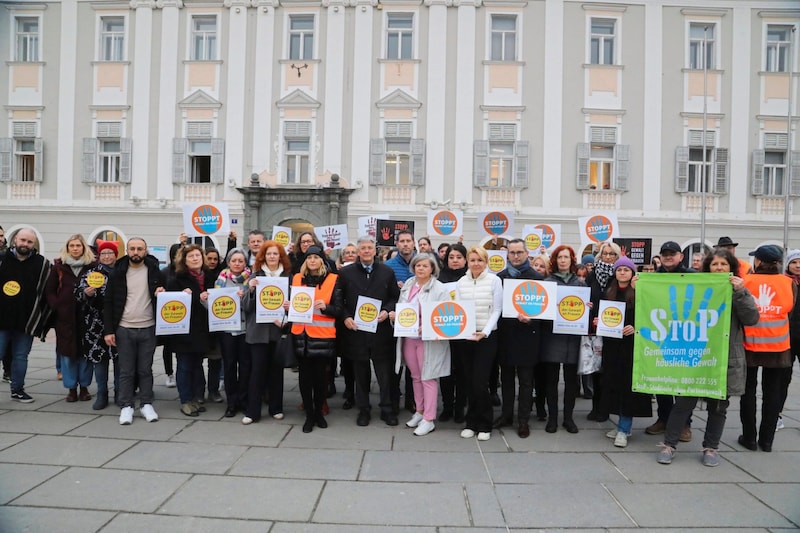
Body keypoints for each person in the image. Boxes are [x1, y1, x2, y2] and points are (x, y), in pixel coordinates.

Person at [657, 249, 759, 465]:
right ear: (708, 267)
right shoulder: (697, 286)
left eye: (723, 264)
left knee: (719, 406)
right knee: (684, 402)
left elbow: (751, 318)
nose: (719, 268)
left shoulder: (738, 289)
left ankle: (711, 447)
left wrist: (740, 292)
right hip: (696, 356)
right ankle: (669, 444)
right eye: (715, 264)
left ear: (731, 267)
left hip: (723, 358)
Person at [337, 235, 400, 427]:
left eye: (369, 248)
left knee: (384, 375)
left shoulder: (387, 272)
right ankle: (363, 410)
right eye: (362, 248)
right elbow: (339, 300)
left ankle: (387, 409)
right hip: (356, 332)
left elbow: (394, 298)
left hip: (380, 332)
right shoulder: (346, 273)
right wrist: (345, 317)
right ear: (357, 251)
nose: (366, 251)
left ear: (375, 251)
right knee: (360, 375)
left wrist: (387, 310)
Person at [739, 245, 796, 452]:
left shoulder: (747, 281)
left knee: (748, 393)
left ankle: (749, 438)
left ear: (759, 261)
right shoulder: (788, 283)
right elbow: (790, 312)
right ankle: (767, 441)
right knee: (773, 393)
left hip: (750, 345)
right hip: (779, 346)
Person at [104, 237, 163, 424]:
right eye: (132, 249)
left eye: (139, 249)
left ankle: (146, 403)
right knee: (126, 370)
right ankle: (126, 406)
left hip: (148, 327)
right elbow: (108, 302)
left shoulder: (154, 271)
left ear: (146, 251)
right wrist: (108, 330)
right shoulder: (118, 272)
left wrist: (162, 291)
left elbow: (166, 293)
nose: (136, 252)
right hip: (124, 328)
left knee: (145, 369)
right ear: (127, 250)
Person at [392, 253, 451, 436]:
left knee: (429, 377)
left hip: (429, 340)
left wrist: (427, 326)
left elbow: (445, 314)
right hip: (409, 337)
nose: (421, 269)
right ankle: (419, 411)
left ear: (432, 268)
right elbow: (402, 307)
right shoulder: (409, 284)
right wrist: (396, 316)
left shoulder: (440, 289)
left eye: (425, 266)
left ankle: (429, 418)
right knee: (415, 376)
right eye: (418, 265)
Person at [595, 257, 652, 448]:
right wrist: (598, 322)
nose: (622, 273)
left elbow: (648, 315)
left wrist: (635, 327)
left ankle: (624, 428)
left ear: (632, 273)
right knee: (614, 386)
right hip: (612, 346)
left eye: (626, 270)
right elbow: (604, 316)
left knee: (628, 388)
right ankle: (621, 424)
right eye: (619, 270)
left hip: (631, 348)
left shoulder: (638, 292)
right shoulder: (608, 292)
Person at [493, 239, 543, 438]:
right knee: (506, 380)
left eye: (519, 252)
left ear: (526, 253)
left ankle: (523, 420)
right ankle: (506, 415)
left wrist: (531, 320)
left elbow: (544, 312)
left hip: (527, 337)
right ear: (507, 254)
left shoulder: (537, 278)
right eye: (512, 252)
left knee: (525, 382)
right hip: (505, 336)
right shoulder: (500, 278)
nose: (515, 256)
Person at [645, 240, 695, 441]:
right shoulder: (654, 278)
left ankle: (684, 423)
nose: (667, 256)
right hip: (663, 336)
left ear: (681, 256)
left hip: (685, 335)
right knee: (662, 381)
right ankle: (664, 419)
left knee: (683, 383)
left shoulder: (694, 276)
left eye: (672, 253)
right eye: (664, 253)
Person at [291, 246, 343, 433]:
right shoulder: (297, 279)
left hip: (322, 336)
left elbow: (339, 309)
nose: (312, 260)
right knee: (304, 378)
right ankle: (309, 414)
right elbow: (292, 305)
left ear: (322, 260)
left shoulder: (333, 279)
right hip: (301, 335)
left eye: (316, 257)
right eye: (309, 257)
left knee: (321, 379)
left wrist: (326, 307)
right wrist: (288, 305)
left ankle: (319, 412)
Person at [455, 246, 503, 441]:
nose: (476, 263)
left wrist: (485, 331)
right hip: (466, 337)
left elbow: (497, 310)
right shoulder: (461, 282)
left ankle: (485, 423)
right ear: (468, 261)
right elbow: (459, 309)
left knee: (480, 382)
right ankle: (471, 422)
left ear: (486, 262)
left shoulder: (494, 281)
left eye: (480, 260)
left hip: (486, 337)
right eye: (473, 260)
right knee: (468, 381)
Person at [0, 228, 52, 403]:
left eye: (29, 242)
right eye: (23, 240)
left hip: (26, 321)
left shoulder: (42, 264)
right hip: (1, 320)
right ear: (15, 239)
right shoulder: (2, 259)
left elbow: (47, 293)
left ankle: (17, 390)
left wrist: (42, 320)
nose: (25, 244)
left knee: (20, 357)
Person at [241, 240, 291, 424]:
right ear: (263, 256)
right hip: (258, 332)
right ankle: (252, 411)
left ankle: (276, 408)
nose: (272, 257)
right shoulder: (255, 276)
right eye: (268, 253)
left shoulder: (287, 277)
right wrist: (252, 290)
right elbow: (245, 306)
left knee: (276, 372)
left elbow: (294, 306)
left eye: (275, 254)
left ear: (280, 257)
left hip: (277, 331)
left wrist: (288, 307)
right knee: (257, 373)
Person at [46, 234, 97, 403]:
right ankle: (71, 388)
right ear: (67, 248)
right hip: (65, 318)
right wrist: (57, 306)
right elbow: (50, 291)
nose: (75, 248)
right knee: (67, 355)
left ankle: (84, 387)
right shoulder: (59, 268)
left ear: (84, 248)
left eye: (78, 245)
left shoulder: (93, 267)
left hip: (86, 318)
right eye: (72, 246)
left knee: (85, 355)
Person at [166, 245, 215, 417]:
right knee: (185, 366)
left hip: (202, 330)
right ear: (184, 260)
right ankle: (185, 400)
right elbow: (171, 304)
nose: (195, 259)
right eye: (191, 256)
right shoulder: (177, 279)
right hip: (183, 332)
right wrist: (191, 296)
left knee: (197, 365)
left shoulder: (209, 277)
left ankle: (196, 398)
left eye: (197, 255)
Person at [541, 245, 584, 434]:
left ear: (572, 260)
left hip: (573, 338)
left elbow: (586, 310)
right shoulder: (548, 282)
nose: (563, 260)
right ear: (555, 260)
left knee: (571, 381)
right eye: (559, 257)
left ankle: (568, 418)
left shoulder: (580, 284)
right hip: (552, 336)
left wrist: (587, 305)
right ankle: (552, 418)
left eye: (566, 257)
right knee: (550, 380)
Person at [75, 239, 119, 410]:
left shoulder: (121, 273)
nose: (107, 256)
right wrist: (86, 293)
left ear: (116, 255)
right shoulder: (91, 273)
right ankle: (102, 394)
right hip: (95, 325)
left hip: (117, 323)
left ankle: (119, 393)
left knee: (119, 360)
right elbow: (77, 293)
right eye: (103, 253)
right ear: (99, 256)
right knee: (99, 361)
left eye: (110, 253)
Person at [585, 240, 622, 422]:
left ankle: (605, 408)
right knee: (594, 368)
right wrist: (587, 305)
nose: (607, 257)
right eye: (605, 253)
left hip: (612, 327)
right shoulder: (592, 275)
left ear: (617, 256)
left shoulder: (619, 275)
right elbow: (585, 294)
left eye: (611, 254)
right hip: (593, 327)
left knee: (607, 370)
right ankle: (595, 406)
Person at [215, 248, 251, 418]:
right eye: (234, 260)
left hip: (245, 329)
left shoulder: (251, 280)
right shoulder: (221, 280)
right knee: (229, 367)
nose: (237, 263)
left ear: (245, 263)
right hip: (227, 330)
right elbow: (214, 307)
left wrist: (245, 296)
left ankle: (243, 401)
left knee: (245, 367)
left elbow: (253, 305)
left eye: (240, 261)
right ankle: (231, 402)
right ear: (228, 262)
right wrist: (205, 299)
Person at [437, 243, 468, 423]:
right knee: (446, 371)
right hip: (444, 330)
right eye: (451, 257)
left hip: (464, 331)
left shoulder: (470, 278)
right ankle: (447, 406)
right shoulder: (440, 278)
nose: (455, 261)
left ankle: (460, 407)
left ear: (465, 259)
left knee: (463, 371)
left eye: (458, 257)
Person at [777, 249, 800, 430]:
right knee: (782, 379)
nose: (798, 265)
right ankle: (777, 415)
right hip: (786, 337)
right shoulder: (783, 283)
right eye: (794, 262)